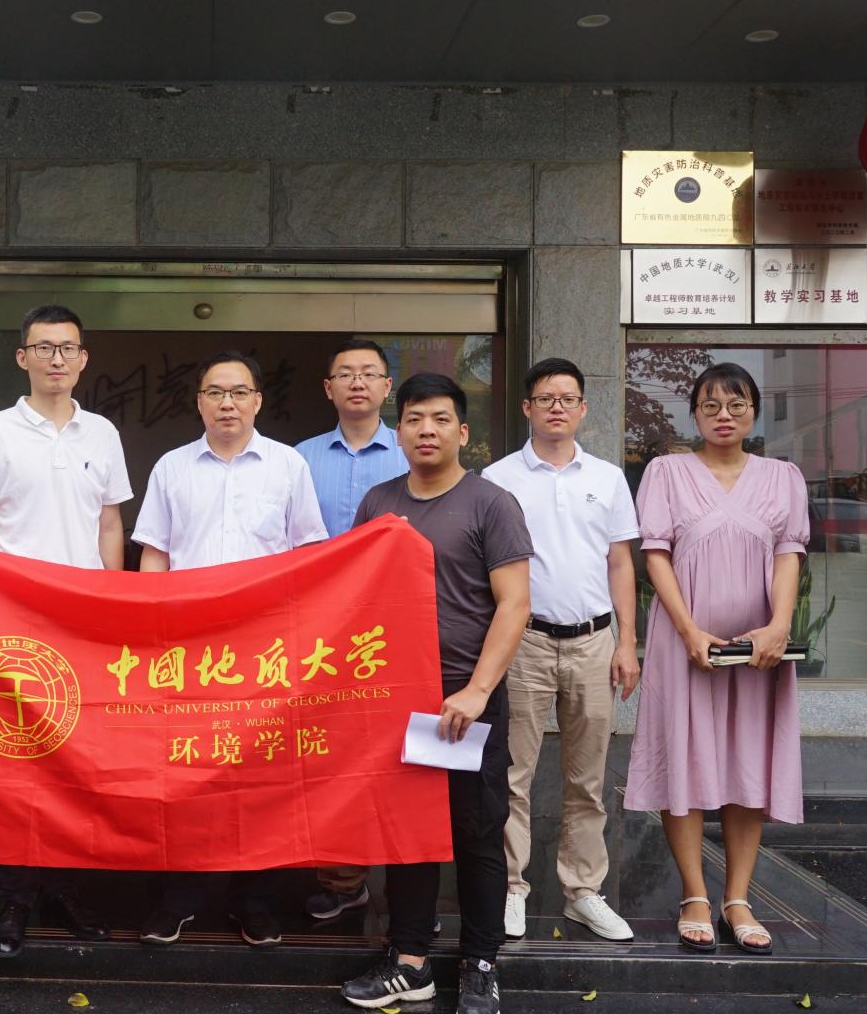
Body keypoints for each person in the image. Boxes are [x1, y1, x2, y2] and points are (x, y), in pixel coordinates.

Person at [339, 373, 531, 1014]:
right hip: (398, 698)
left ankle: (480, 962)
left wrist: (477, 690)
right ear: (399, 432)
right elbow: (356, 596)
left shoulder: (491, 503)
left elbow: (515, 605)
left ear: (463, 432)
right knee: (407, 832)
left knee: (477, 832)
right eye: (416, 419)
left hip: (464, 698)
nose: (427, 430)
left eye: (441, 419)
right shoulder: (379, 502)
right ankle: (410, 960)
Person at [131, 351, 328, 948]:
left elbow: (307, 554)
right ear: (198, 402)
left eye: (239, 392)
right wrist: (153, 631)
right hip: (190, 649)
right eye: (215, 392)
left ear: (258, 401)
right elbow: (155, 553)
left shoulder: (288, 465)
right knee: (187, 774)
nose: (227, 404)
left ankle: (256, 901)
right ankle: (181, 897)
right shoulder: (172, 467)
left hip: (265, 649)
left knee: (261, 777)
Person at [0, 304, 128, 958]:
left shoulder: (102, 433)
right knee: (14, 764)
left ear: (83, 359)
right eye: (44, 347)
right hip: (12, 623)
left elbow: (109, 524)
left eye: (67, 348)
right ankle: (13, 898)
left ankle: (67, 888)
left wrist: (113, 603)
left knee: (78, 763)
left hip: (84, 621)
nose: (57, 359)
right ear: (22, 357)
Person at [625, 362, 807, 956]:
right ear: (695, 414)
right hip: (686, 643)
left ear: (754, 412)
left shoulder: (783, 477)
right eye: (710, 405)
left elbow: (788, 553)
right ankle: (695, 896)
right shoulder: (666, 472)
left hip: (757, 652)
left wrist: (778, 626)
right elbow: (655, 553)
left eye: (736, 404)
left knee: (746, 763)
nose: (723, 415)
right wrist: (687, 630)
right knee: (683, 759)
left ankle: (738, 898)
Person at [482, 358, 640, 944]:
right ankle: (511, 887)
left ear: (582, 409)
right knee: (513, 773)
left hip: (595, 641)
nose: (557, 407)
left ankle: (583, 891)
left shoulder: (608, 477)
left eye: (567, 398)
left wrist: (628, 641)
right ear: (527, 408)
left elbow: (620, 563)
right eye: (546, 398)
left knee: (587, 778)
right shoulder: (497, 478)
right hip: (523, 641)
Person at [295, 339, 407, 920]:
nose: (357, 382)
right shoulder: (298, 458)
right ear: (328, 388)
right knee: (328, 753)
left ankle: (405, 878)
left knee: (390, 753)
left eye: (369, 374)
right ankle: (341, 878)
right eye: (345, 374)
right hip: (319, 630)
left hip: (395, 627)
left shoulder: (413, 451)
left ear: (388, 386)